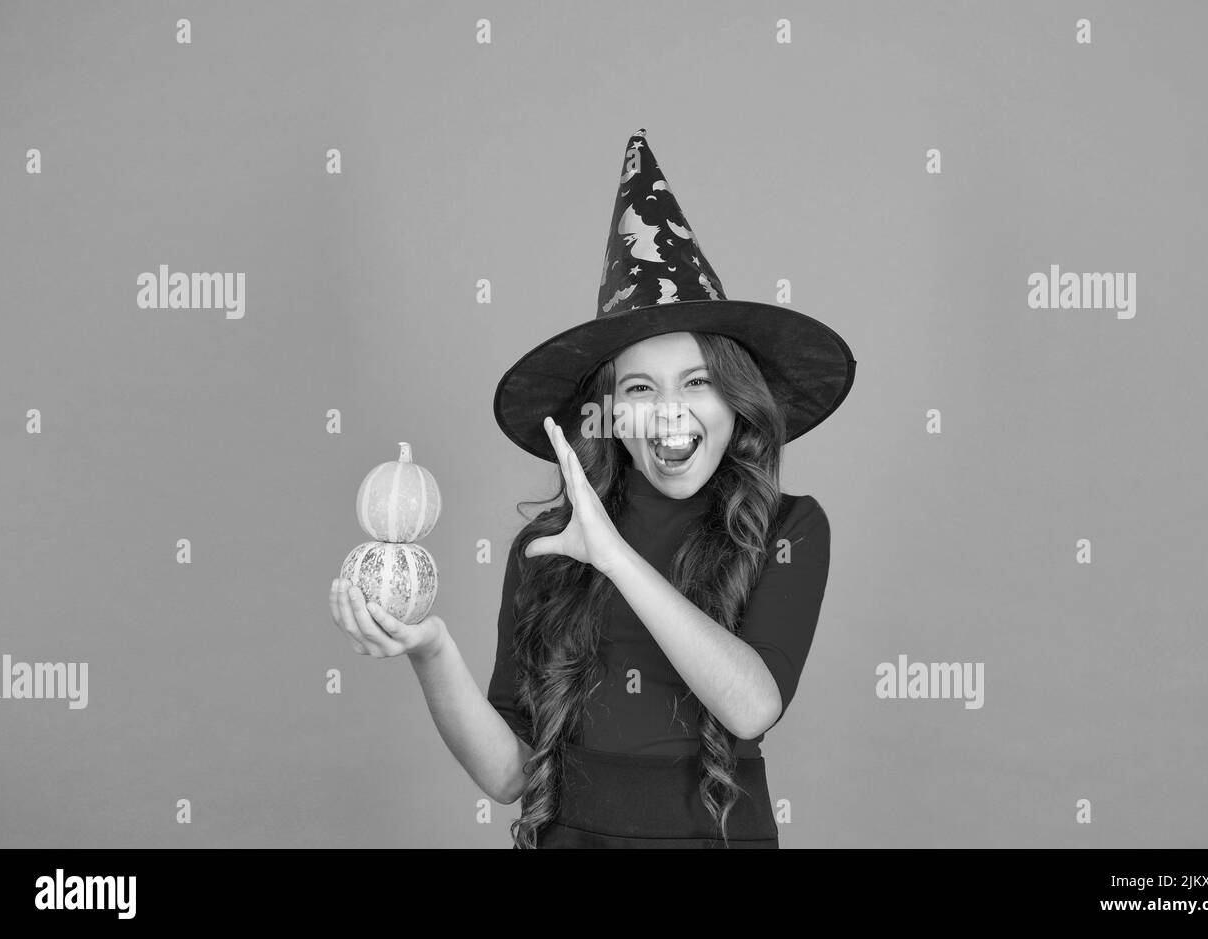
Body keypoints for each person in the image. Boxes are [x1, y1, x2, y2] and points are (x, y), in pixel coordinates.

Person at [329, 129, 856, 848]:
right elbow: (508, 774)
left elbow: (752, 706)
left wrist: (614, 557)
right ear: (607, 416)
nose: (669, 411)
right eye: (639, 388)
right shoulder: (547, 547)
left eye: (697, 382)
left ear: (738, 401)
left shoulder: (790, 528)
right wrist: (429, 648)